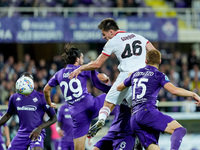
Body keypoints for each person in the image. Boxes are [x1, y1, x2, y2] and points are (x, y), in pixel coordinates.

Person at [68, 18, 156, 146]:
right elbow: (154, 52)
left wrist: (81, 68)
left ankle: (101, 119)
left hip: (126, 75)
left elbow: (97, 63)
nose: (104, 37)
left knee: (108, 102)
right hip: (143, 77)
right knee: (137, 109)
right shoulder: (138, 36)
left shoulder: (113, 41)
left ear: (111, 32)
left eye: (104, 34)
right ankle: (142, 135)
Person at [117, 49, 200, 150]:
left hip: (134, 118)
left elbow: (119, 88)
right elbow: (174, 91)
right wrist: (192, 94)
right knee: (179, 130)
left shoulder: (135, 74)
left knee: (155, 148)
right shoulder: (158, 75)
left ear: (146, 60)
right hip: (148, 113)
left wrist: (128, 76)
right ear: (160, 61)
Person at [43, 44, 111, 150]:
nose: (83, 59)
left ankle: (100, 121)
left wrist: (49, 103)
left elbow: (46, 90)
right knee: (112, 96)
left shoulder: (59, 74)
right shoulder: (82, 69)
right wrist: (105, 77)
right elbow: (99, 77)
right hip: (90, 105)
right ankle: (103, 119)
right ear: (77, 59)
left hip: (77, 115)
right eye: (82, 57)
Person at [0, 72, 57, 150]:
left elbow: (54, 118)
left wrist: (40, 128)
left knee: (37, 149)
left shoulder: (41, 97)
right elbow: (8, 115)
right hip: (21, 134)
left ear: (32, 83)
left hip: (37, 132)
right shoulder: (14, 98)